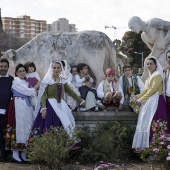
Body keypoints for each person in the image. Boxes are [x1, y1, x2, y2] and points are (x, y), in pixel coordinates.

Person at [30, 61, 85, 143]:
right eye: (54, 68)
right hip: (50, 106)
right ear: (51, 69)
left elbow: (71, 92)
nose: (56, 69)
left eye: (58, 68)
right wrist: (44, 108)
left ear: (61, 69)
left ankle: (62, 147)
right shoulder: (47, 81)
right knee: (49, 126)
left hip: (62, 105)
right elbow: (43, 95)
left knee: (66, 124)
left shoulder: (62, 81)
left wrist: (80, 101)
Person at [132, 56, 170, 149]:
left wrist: (141, 100)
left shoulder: (158, 75)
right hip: (150, 101)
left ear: (155, 65)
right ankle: (149, 149)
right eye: (147, 64)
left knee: (156, 124)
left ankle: (159, 148)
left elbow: (153, 90)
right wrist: (136, 96)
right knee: (147, 124)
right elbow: (146, 90)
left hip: (157, 102)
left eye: (151, 64)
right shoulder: (150, 77)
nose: (149, 65)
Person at [5, 64, 39, 163]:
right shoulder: (16, 81)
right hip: (17, 106)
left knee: (27, 127)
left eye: (24, 70)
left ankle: (24, 153)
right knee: (18, 127)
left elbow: (32, 95)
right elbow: (29, 92)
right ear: (16, 73)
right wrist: (37, 85)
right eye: (20, 71)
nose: (22, 73)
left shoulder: (28, 81)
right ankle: (15, 154)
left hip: (27, 107)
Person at [0, 59, 13, 161]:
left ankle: (4, 155)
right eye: (1, 66)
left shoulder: (11, 79)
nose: (3, 68)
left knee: (4, 133)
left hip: (6, 112)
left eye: (5, 66)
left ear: (8, 67)